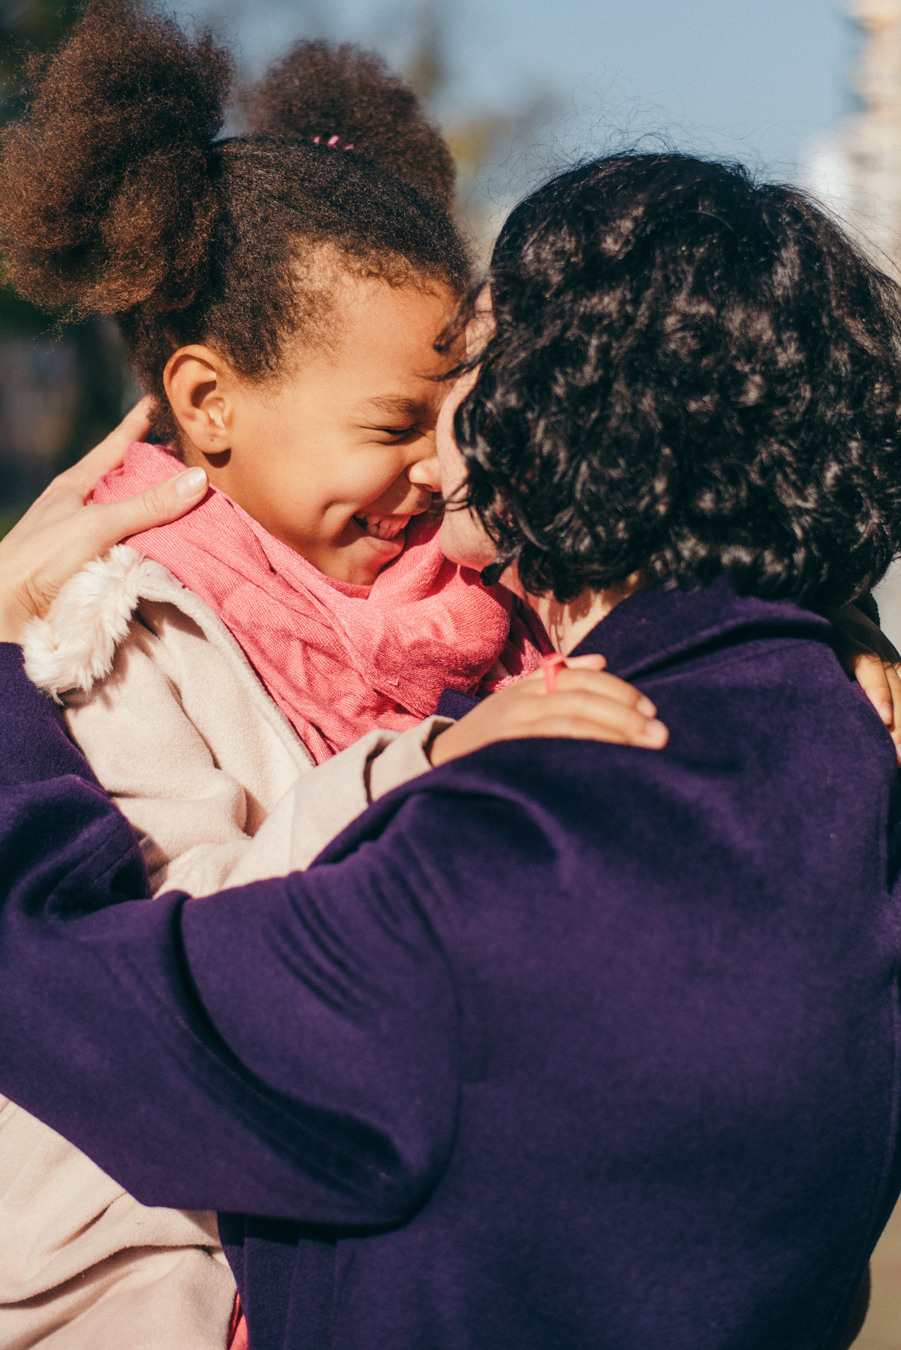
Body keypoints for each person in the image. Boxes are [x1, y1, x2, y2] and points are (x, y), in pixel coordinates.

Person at [1, 150, 901, 1349]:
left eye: (471, 381)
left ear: (564, 410)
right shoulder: (836, 743)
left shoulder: (510, 858)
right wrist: (837, 615)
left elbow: (55, 989)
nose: (432, 461)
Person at [0, 8, 665, 1347]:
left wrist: (827, 630)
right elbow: (170, 949)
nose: (435, 467)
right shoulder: (118, 622)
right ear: (209, 403)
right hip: (146, 1274)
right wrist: (414, 769)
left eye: (449, 418)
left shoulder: (464, 605)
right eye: (392, 426)